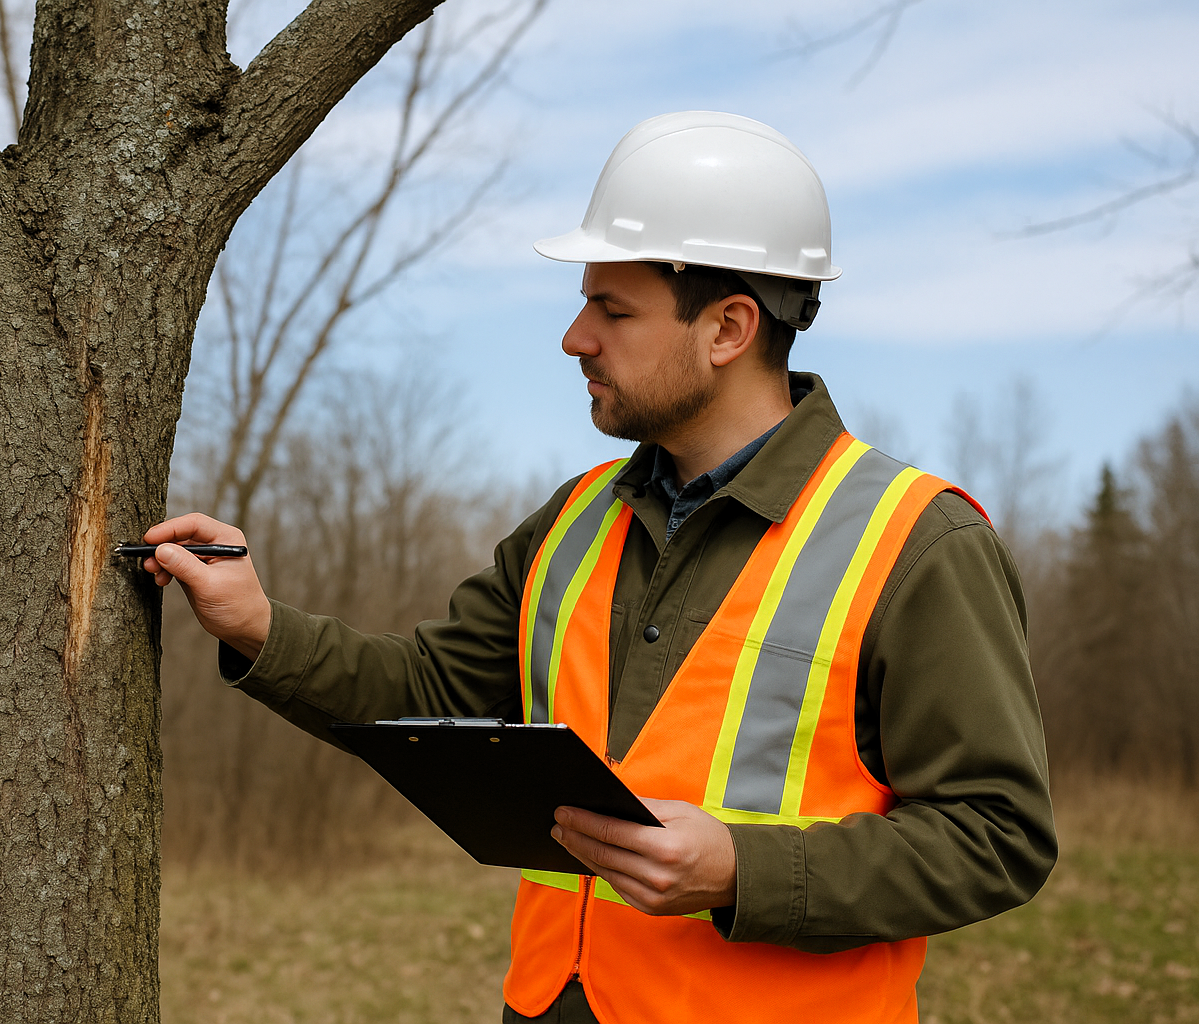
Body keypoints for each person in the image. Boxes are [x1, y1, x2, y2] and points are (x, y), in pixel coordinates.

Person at [141, 112, 1057, 1024]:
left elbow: (999, 836)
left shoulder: (917, 544)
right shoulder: (575, 520)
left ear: (729, 328)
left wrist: (745, 870)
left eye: (613, 310)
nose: (576, 337)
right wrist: (260, 625)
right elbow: (430, 694)